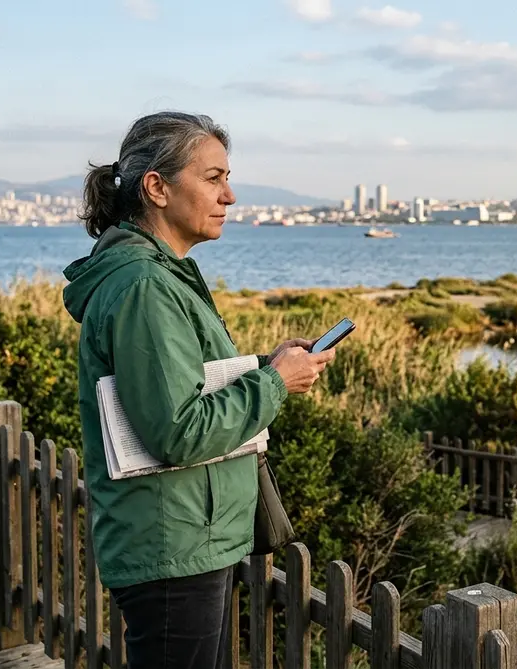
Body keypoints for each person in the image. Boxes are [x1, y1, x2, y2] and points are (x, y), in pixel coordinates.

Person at [62, 111, 335, 669]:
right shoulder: (144, 285)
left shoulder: (160, 276)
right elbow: (179, 431)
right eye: (212, 178)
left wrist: (269, 363)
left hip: (186, 533)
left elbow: (181, 382)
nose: (229, 195)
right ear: (157, 188)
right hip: (173, 545)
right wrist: (275, 383)